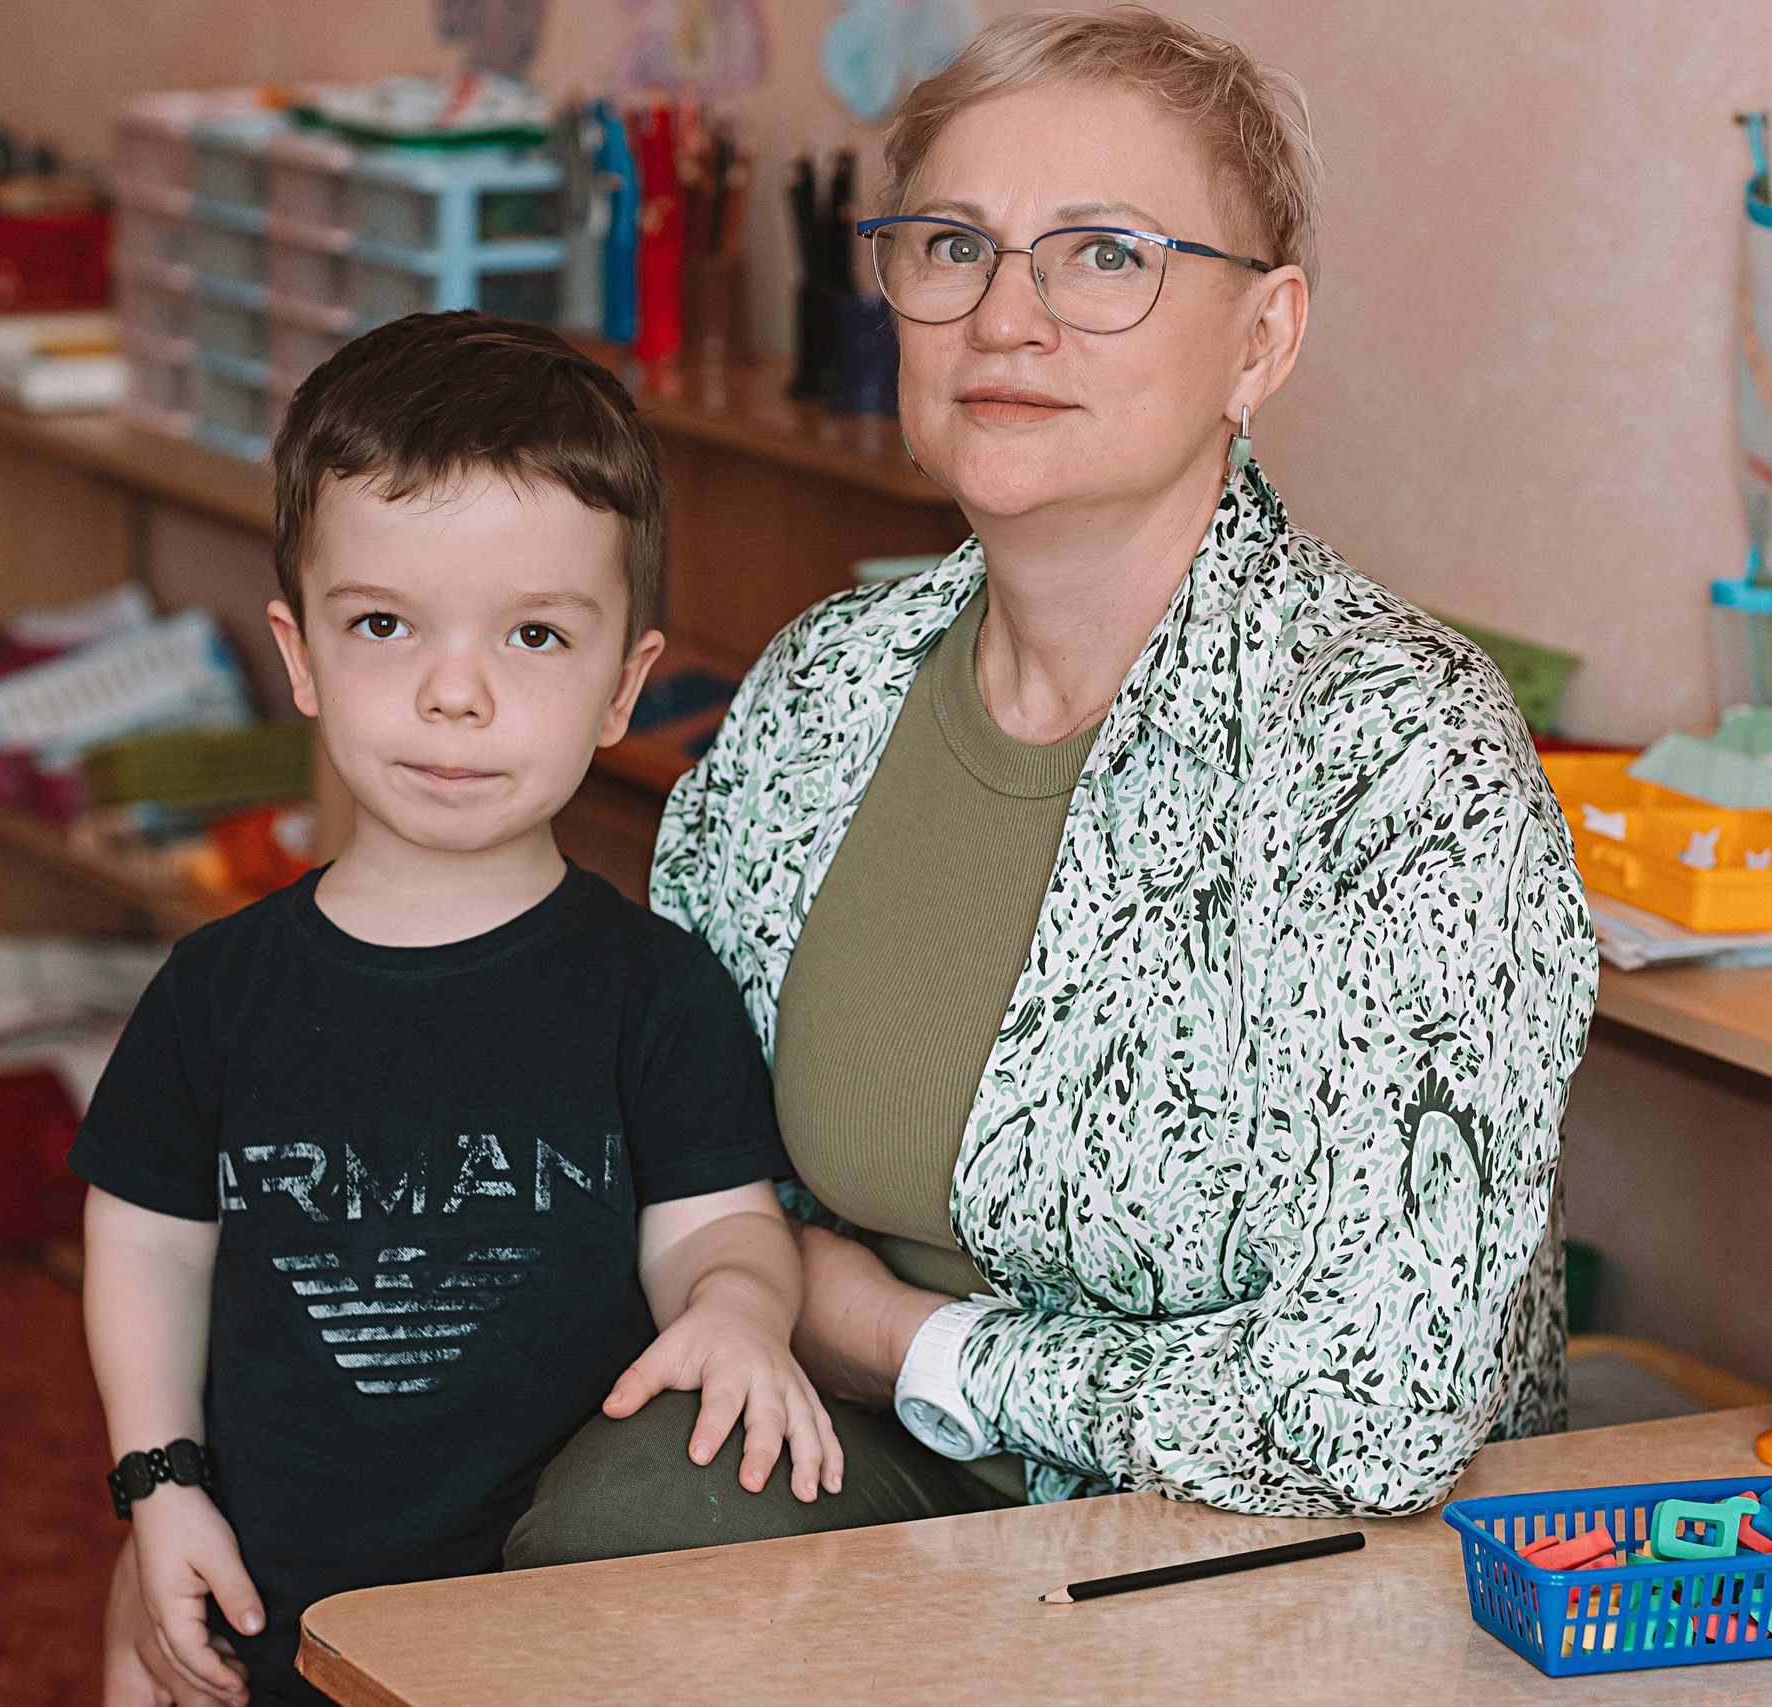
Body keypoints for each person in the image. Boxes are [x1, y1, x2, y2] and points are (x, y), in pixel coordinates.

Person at [505, 5, 1598, 1566]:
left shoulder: (1400, 750)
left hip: (1265, 1528)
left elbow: (1374, 1410)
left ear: (1262, 339)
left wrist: (907, 1342)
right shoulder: (825, 687)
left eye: (1104, 256)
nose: (1004, 319)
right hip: (860, 1447)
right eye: (951, 246)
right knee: (566, 1563)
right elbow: (677, 1137)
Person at [77, 313, 840, 1707]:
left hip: (553, 1640)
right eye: (383, 624)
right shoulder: (217, 993)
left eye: (536, 635)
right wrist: (157, 1486)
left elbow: (720, 1225)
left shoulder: (654, 992)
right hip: (262, 1611)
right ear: (298, 653)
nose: (454, 692)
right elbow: (146, 1243)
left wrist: (737, 1310)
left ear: (626, 684)